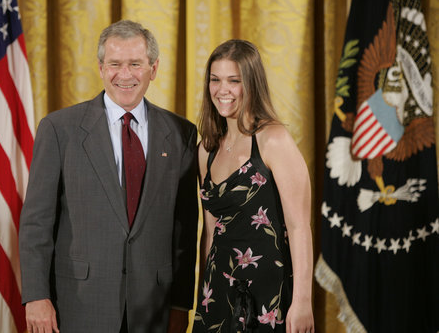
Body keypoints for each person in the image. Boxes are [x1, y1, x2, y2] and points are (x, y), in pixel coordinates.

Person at [19, 20, 199, 333]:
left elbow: (184, 229)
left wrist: (181, 304)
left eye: (135, 64)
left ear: (153, 68)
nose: (125, 75)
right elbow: (36, 223)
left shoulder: (181, 134)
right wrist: (36, 296)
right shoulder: (59, 129)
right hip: (79, 305)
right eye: (115, 64)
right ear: (101, 67)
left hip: (154, 309)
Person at [192, 39, 314, 333]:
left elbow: (299, 228)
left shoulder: (273, 140)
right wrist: (201, 297)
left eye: (234, 81)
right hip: (218, 292)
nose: (223, 90)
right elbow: (209, 234)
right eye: (215, 80)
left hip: (268, 294)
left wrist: (302, 302)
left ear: (252, 83)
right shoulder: (206, 150)